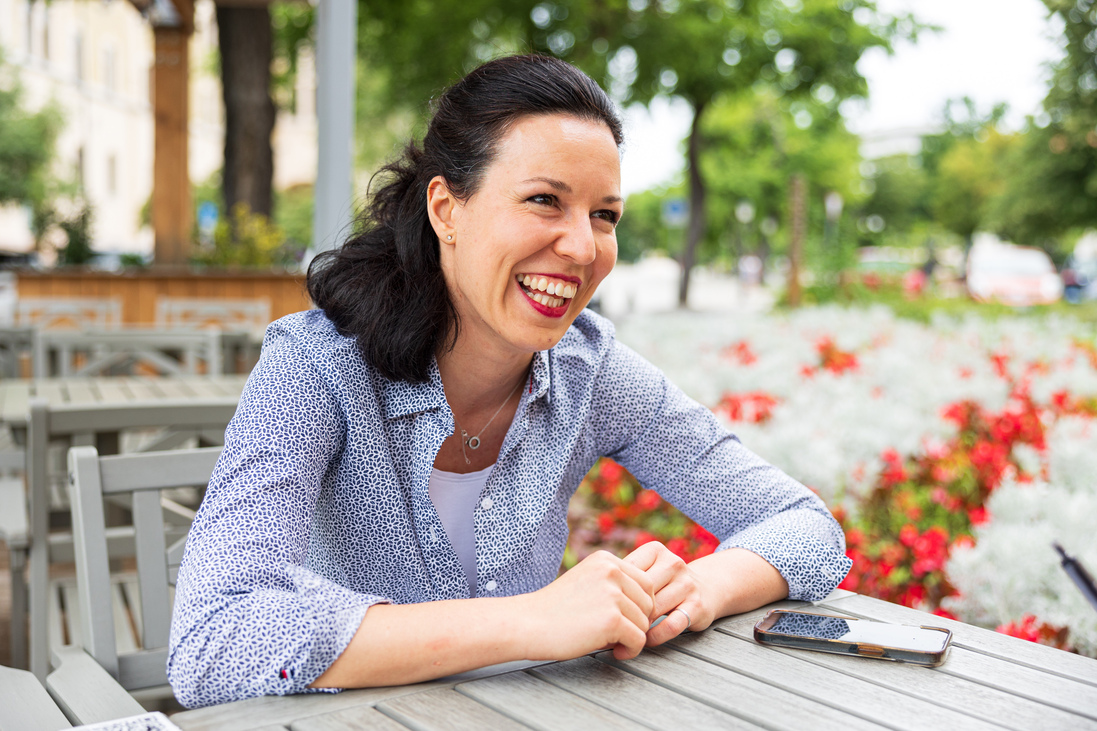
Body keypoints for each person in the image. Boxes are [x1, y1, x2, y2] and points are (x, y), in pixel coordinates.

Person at [167, 54, 851, 708]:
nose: (582, 247)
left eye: (603, 214)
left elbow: (805, 527)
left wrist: (695, 588)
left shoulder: (589, 369)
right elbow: (212, 639)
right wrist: (528, 621)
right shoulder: (316, 367)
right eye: (543, 200)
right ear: (446, 209)